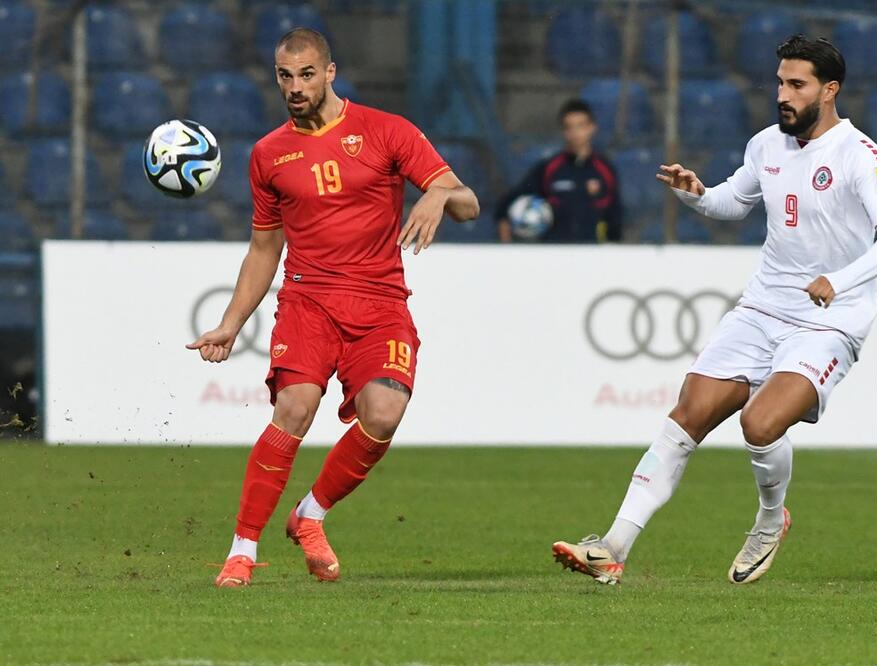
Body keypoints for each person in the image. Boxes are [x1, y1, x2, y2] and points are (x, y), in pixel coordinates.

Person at [552, 35, 877, 585]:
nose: (783, 95)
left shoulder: (860, 155)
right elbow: (732, 202)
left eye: (797, 85)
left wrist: (837, 282)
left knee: (759, 424)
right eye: (780, 83)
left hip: (829, 319)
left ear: (829, 90)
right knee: (688, 413)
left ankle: (770, 520)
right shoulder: (766, 144)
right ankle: (611, 547)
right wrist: (696, 193)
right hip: (762, 308)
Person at [188, 28, 479, 588]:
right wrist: (230, 324)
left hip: (380, 302)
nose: (294, 87)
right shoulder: (268, 154)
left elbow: (469, 204)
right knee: (294, 407)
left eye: (305, 74)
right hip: (309, 302)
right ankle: (242, 551)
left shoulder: (387, 131)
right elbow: (265, 248)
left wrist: (439, 192)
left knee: (384, 413)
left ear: (329, 72)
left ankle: (311, 513)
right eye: (284, 76)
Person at [495, 99, 622, 243]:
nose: (575, 133)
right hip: (554, 252)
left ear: (592, 128)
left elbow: (615, 218)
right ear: (563, 131)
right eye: (569, 127)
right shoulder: (549, 168)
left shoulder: (605, 170)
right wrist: (506, 246)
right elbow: (506, 206)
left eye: (581, 126)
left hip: (593, 251)